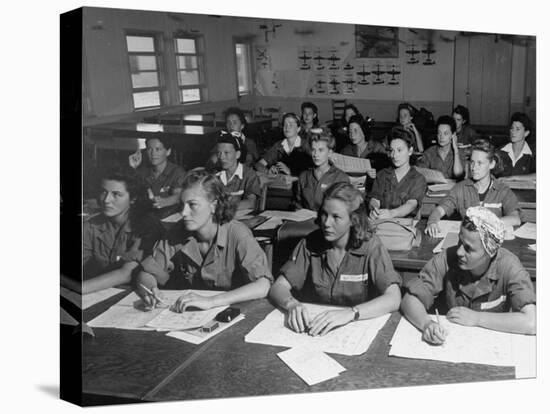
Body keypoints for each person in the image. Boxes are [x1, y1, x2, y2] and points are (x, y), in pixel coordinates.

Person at [269, 183, 402, 336]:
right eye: (324, 214)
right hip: (318, 327)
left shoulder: (371, 246)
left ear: (353, 220)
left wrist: (351, 313)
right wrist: (291, 304)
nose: (326, 223)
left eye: (336, 217)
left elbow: (394, 298)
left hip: (358, 328)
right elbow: (278, 287)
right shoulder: (310, 243)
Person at [136, 170, 272, 311]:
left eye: (192, 205)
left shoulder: (237, 233)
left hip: (236, 310)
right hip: (193, 315)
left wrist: (211, 301)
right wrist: (151, 291)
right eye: (182, 206)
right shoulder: (177, 232)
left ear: (214, 205)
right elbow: (146, 272)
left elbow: (263, 285)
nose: (183, 213)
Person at [401, 206, 535, 345]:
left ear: (491, 252)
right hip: (452, 341)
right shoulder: (447, 258)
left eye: (468, 248)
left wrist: (477, 318)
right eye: (460, 241)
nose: (459, 252)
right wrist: (427, 324)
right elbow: (409, 299)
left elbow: (531, 321)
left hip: (492, 344)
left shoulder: (509, 266)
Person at [62, 166, 164, 294]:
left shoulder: (146, 226)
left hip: (142, 293)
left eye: (116, 194)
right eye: (104, 192)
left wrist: (79, 288)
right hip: (104, 291)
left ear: (133, 198)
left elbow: (126, 273)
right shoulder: (92, 225)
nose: (106, 200)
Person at [425, 139, 521, 237]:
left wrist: (488, 224)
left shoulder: (502, 190)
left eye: (480, 163)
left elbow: (515, 219)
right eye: (472, 162)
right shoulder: (460, 188)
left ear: (491, 164)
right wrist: (432, 222)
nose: (474, 168)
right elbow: (439, 210)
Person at [368, 129, 427, 220]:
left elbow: (411, 205)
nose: (394, 155)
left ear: (410, 151)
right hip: (381, 223)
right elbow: (375, 199)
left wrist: (391, 213)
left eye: (399, 150)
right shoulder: (382, 175)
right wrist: (374, 209)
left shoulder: (418, 179)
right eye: (392, 150)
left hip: (406, 226)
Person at [128, 137, 186, 218]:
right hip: (147, 218)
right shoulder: (142, 171)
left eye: (158, 149)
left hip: (169, 218)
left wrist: (164, 201)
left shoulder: (177, 172)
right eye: (149, 149)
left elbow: (178, 195)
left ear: (168, 152)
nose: (153, 153)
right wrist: (133, 167)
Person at [294, 130, 349, 211]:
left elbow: (344, 209)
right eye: (313, 150)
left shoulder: (341, 178)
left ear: (330, 153)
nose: (315, 154)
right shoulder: (304, 176)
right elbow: (297, 204)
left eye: (320, 150)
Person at [215, 131, 262, 211]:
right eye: (219, 153)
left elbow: (251, 203)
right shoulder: (215, 175)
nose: (221, 157)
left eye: (226, 153)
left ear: (238, 154)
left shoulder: (249, 174)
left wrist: (224, 207)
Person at [416, 115, 465, 179]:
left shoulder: (459, 153)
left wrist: (456, 150)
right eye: (439, 133)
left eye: (446, 133)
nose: (441, 137)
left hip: (454, 188)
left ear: (453, 135)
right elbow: (420, 173)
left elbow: (458, 174)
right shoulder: (430, 153)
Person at [340, 114, 386, 180]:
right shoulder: (347, 150)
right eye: (350, 131)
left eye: (356, 131)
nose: (352, 135)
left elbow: (386, 171)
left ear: (364, 131)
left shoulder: (377, 148)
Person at [498, 112, 535, 178]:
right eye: (512, 128)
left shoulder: (533, 156)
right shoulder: (500, 152)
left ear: (526, 133)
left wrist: (514, 178)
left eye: (517, 129)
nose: (513, 132)